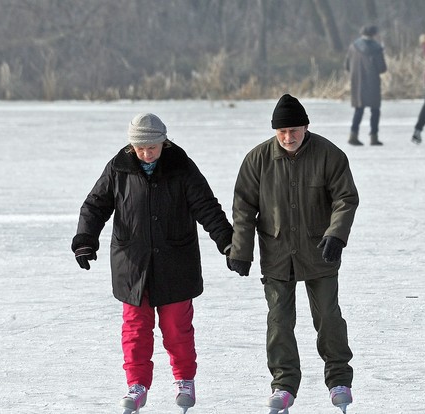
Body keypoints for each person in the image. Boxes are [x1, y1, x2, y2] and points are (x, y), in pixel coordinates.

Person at [71, 113, 234, 412]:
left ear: (164, 142)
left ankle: (184, 379)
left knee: (177, 328)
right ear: (132, 145)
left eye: (152, 147)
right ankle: (136, 384)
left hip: (175, 261)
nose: (146, 153)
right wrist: (85, 239)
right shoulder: (118, 168)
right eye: (140, 148)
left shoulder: (181, 167)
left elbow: (206, 206)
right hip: (132, 264)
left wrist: (227, 242)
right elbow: (95, 205)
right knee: (135, 328)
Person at [228, 94, 359, 413]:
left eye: (295, 130)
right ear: (275, 131)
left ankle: (339, 379)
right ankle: (284, 384)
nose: (289, 137)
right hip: (277, 253)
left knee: (328, 316)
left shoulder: (329, 155)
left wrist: (336, 234)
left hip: (320, 251)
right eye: (283, 132)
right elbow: (243, 207)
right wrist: (241, 249)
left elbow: (346, 198)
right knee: (279, 320)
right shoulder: (257, 160)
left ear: (306, 127)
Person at [345, 24, 388, 146]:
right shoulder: (377, 48)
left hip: (357, 83)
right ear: (374, 34)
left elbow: (347, 66)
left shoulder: (352, 47)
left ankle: (353, 135)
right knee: (375, 110)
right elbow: (382, 68)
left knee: (359, 110)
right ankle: (374, 137)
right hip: (372, 83)